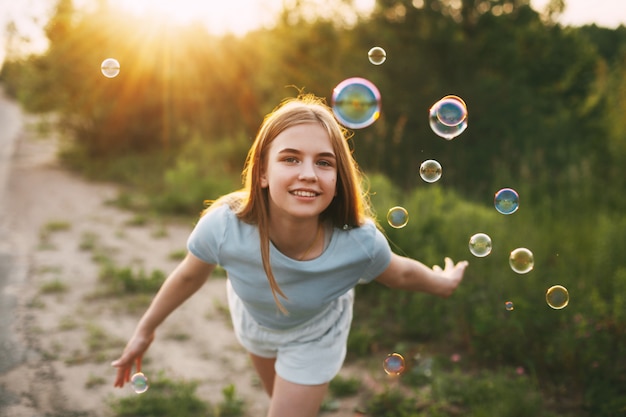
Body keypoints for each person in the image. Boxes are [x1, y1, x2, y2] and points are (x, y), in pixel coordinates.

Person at [111, 94, 468, 417]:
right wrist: (145, 329)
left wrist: (442, 283)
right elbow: (190, 274)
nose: (309, 174)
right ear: (263, 173)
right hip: (256, 323)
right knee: (280, 401)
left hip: (318, 331)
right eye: (291, 158)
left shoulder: (358, 242)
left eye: (325, 163)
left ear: (338, 178)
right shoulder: (224, 225)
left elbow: (400, 273)